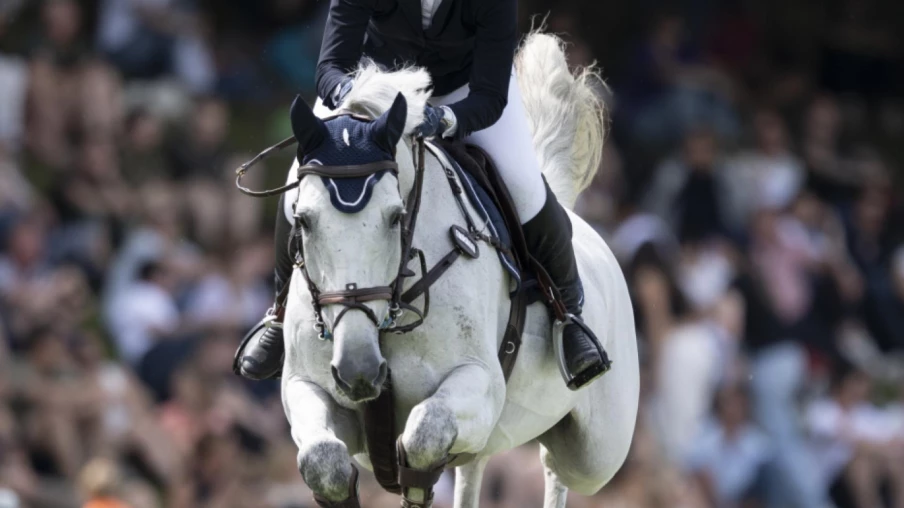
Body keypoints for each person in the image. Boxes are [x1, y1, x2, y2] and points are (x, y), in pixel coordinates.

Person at [235, 0, 610, 391]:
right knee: (300, 179)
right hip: (373, 94)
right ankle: (278, 317)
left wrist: (445, 119)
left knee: (523, 184)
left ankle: (569, 315)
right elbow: (330, 68)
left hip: (463, 95)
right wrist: (356, 95)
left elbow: (490, 95)